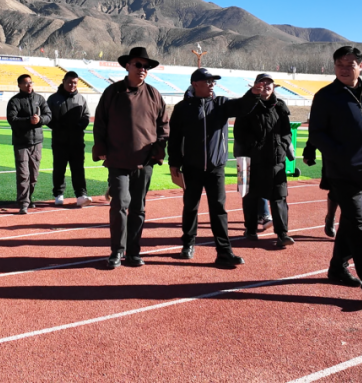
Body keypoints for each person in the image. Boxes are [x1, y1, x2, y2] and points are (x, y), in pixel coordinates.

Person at [309, 45, 362, 304]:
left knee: (350, 222)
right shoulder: (326, 96)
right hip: (342, 172)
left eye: (350, 65)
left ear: (360, 66)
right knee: (359, 225)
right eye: (340, 65)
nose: (344, 69)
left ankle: (337, 267)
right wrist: (339, 155)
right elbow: (317, 133)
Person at [93, 46, 169, 269]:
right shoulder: (112, 92)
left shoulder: (154, 94)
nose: (142, 69)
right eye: (138, 64)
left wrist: (159, 147)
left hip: (144, 162)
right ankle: (117, 251)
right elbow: (100, 122)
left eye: (146, 66)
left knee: (138, 208)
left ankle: (134, 252)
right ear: (127, 66)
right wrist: (101, 146)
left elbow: (163, 125)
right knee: (119, 204)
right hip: (118, 159)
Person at [167, 68, 246, 268]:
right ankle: (188, 244)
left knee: (219, 209)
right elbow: (174, 138)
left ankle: (224, 251)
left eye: (213, 81)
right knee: (190, 207)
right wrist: (174, 162)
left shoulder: (221, 104)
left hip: (215, 168)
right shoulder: (182, 108)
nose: (212, 84)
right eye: (208, 81)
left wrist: (254, 94)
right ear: (195, 84)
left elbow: (242, 106)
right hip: (191, 168)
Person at [232, 73, 295, 248]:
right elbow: (238, 134)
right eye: (262, 82)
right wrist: (252, 148)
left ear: (273, 87)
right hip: (249, 161)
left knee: (279, 197)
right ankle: (250, 229)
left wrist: (282, 146)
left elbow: (287, 132)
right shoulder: (246, 106)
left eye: (269, 83)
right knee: (249, 196)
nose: (265, 85)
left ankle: (282, 234)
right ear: (255, 86)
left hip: (275, 160)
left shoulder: (280, 106)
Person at [6, 74, 52, 214]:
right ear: (19, 85)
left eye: (31, 82)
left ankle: (28, 197)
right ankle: (23, 202)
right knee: (23, 174)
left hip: (36, 142)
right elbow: (12, 119)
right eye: (26, 83)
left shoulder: (39, 99)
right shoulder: (14, 101)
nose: (29, 85)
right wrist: (28, 120)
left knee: (34, 175)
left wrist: (40, 120)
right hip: (21, 143)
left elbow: (49, 115)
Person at [46, 71, 91, 207]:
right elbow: (47, 117)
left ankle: (81, 195)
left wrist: (79, 126)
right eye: (70, 82)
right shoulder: (53, 99)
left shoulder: (81, 99)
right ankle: (58, 194)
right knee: (59, 168)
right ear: (64, 81)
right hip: (59, 141)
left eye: (75, 83)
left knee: (78, 169)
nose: (72, 85)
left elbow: (86, 116)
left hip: (77, 141)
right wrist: (58, 127)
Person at [302, 141, 337, 238]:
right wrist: (309, 152)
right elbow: (318, 132)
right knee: (336, 189)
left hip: (359, 154)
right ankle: (330, 217)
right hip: (334, 153)